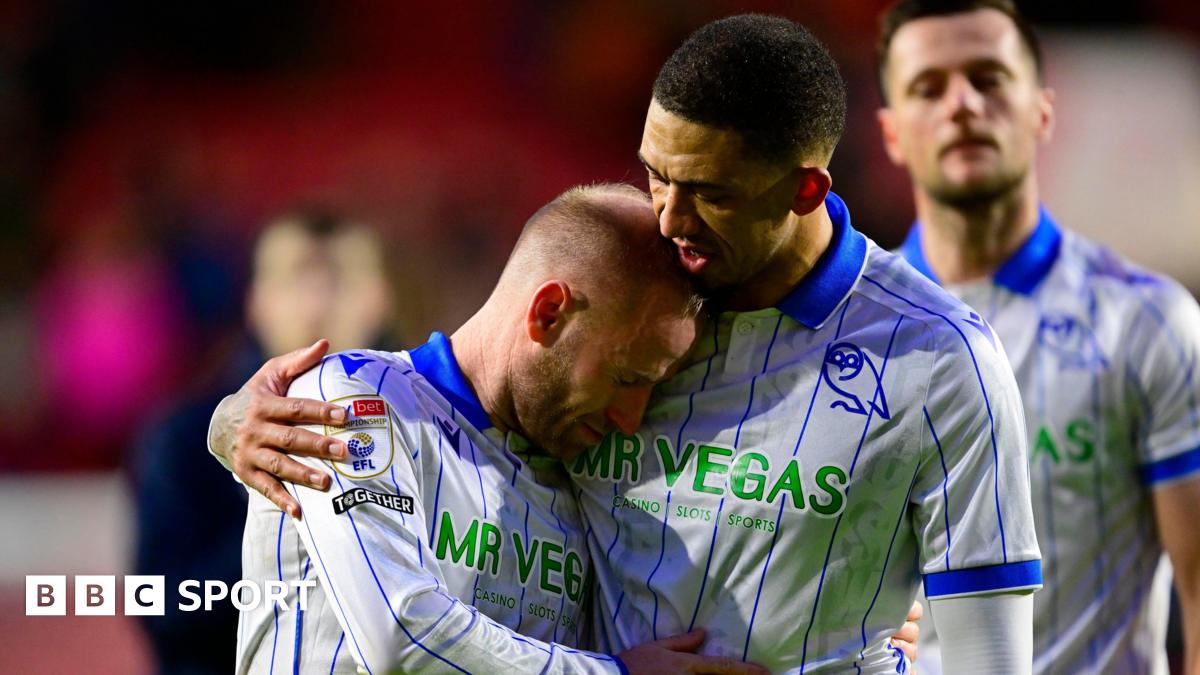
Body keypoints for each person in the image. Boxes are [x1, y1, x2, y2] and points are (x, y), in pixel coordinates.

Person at [213, 15, 1035, 672]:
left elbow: (984, 651)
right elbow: (404, 581)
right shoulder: (636, 303)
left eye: (707, 192)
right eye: (656, 176)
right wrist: (230, 423)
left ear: (805, 188)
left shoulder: (939, 360)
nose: (671, 220)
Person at [222, 183, 775, 674]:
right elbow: (400, 636)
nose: (629, 419)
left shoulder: (575, 472)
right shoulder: (354, 397)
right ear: (549, 312)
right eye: (624, 376)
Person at [873, 1, 1200, 672]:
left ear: (1043, 111)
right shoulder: (852, 336)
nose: (962, 105)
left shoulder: (1149, 322)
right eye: (928, 88)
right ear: (892, 133)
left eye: (989, 79)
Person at [132, 209, 393, 674]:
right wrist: (285, 507)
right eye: (296, 278)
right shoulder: (186, 437)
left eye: (340, 278)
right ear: (256, 300)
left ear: (382, 298)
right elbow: (164, 609)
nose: (317, 303)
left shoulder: (431, 433)